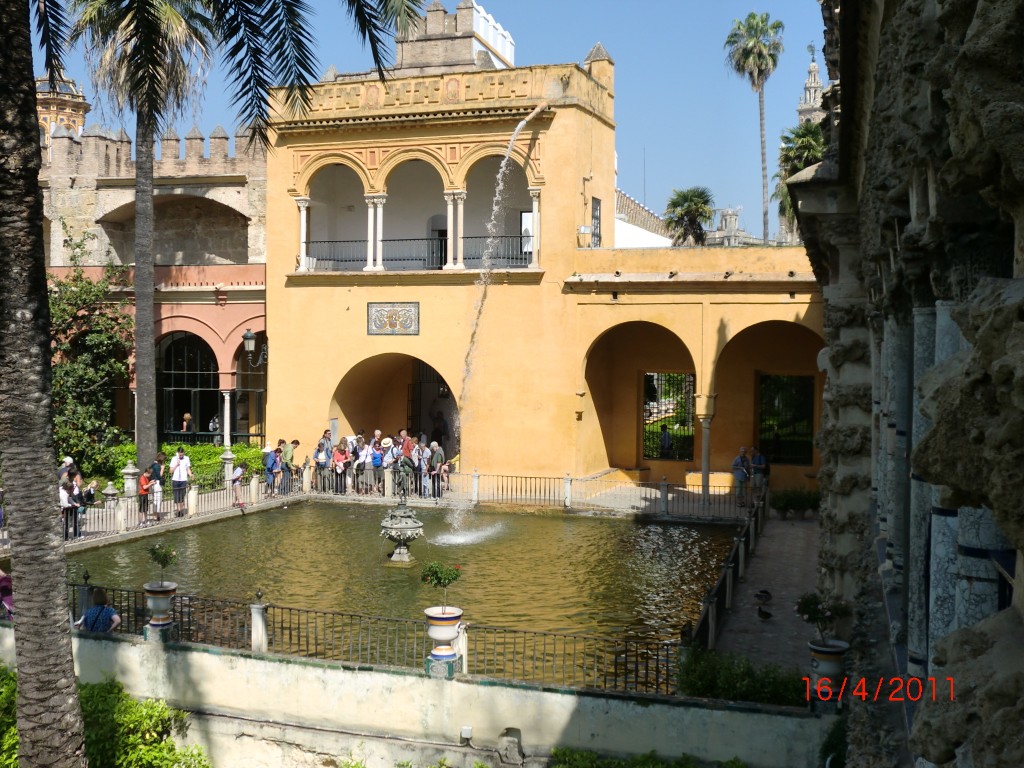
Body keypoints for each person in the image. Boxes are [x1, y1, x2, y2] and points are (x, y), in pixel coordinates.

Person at [169, 446, 194, 517]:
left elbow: (188, 469)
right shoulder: (174, 459)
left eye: (182, 455)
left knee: (182, 495)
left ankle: (181, 510)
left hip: (183, 479)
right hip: (176, 479)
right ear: (177, 453)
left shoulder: (186, 458)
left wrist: (190, 474)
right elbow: (170, 471)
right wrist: (176, 464)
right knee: (176, 496)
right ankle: (179, 510)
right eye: (180, 455)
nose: (181, 456)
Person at [150, 452, 166, 520]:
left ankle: (155, 514)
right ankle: (157, 515)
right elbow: (159, 476)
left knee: (155, 499)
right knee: (158, 499)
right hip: (157, 483)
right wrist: (162, 468)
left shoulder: (153, 464)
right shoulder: (157, 466)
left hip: (153, 483)